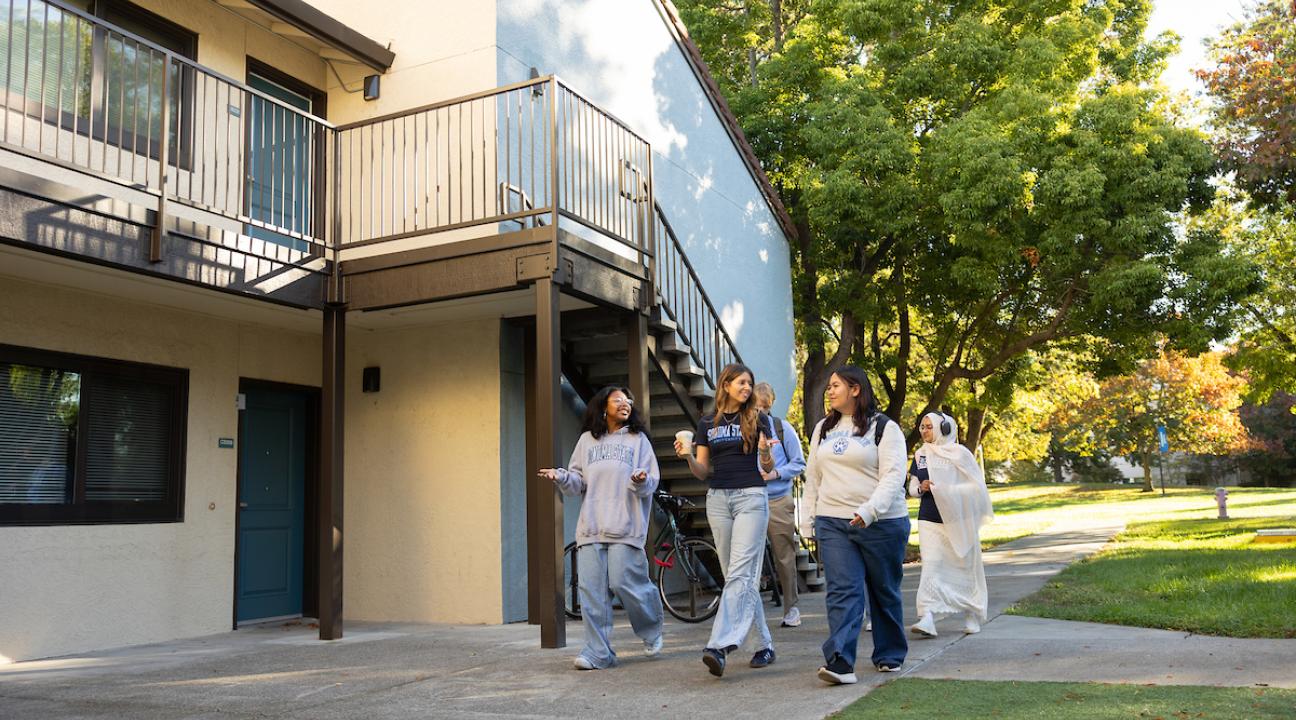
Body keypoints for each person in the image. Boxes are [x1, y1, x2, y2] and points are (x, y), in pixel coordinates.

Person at [539, 386, 663, 670]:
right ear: (603, 406)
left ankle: (651, 628)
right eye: (617, 399)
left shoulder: (638, 440)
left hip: (625, 525)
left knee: (623, 582)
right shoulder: (586, 441)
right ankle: (598, 653)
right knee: (591, 592)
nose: (625, 403)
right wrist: (561, 477)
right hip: (592, 527)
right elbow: (577, 483)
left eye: (628, 400)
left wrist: (640, 479)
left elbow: (650, 483)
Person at [800, 366, 909, 684]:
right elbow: (813, 477)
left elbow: (894, 475)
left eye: (836, 386)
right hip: (833, 521)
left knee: (883, 591)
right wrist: (808, 519)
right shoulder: (823, 429)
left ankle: (889, 653)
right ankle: (841, 661)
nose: (830, 391)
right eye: (829, 387)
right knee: (842, 591)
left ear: (856, 389)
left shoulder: (884, 427)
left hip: (881, 523)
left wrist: (870, 510)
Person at [675, 363, 778, 677]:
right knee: (735, 575)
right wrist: (688, 456)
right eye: (741, 382)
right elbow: (702, 471)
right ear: (726, 385)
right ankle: (763, 645)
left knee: (741, 573)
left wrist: (764, 452)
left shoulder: (759, 419)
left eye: (749, 383)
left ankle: (719, 646)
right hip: (718, 499)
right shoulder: (708, 423)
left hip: (751, 497)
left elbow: (768, 466)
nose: (747, 388)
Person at [909, 412, 994, 638]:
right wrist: (921, 488)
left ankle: (971, 613)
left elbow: (976, 488)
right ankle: (926, 617)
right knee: (931, 565)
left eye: (929, 427)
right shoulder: (920, 455)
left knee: (963, 566)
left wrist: (947, 490)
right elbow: (912, 488)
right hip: (929, 519)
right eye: (922, 427)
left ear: (943, 428)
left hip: (959, 520)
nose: (924, 431)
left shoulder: (960, 454)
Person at [751, 382, 807, 628]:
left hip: (778, 499)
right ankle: (749, 611)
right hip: (750, 500)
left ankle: (791, 608)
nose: (759, 411)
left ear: (770, 405)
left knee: (784, 557)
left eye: (764, 407)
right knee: (748, 557)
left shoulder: (782, 429)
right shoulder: (743, 430)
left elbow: (799, 463)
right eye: (755, 407)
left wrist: (776, 474)